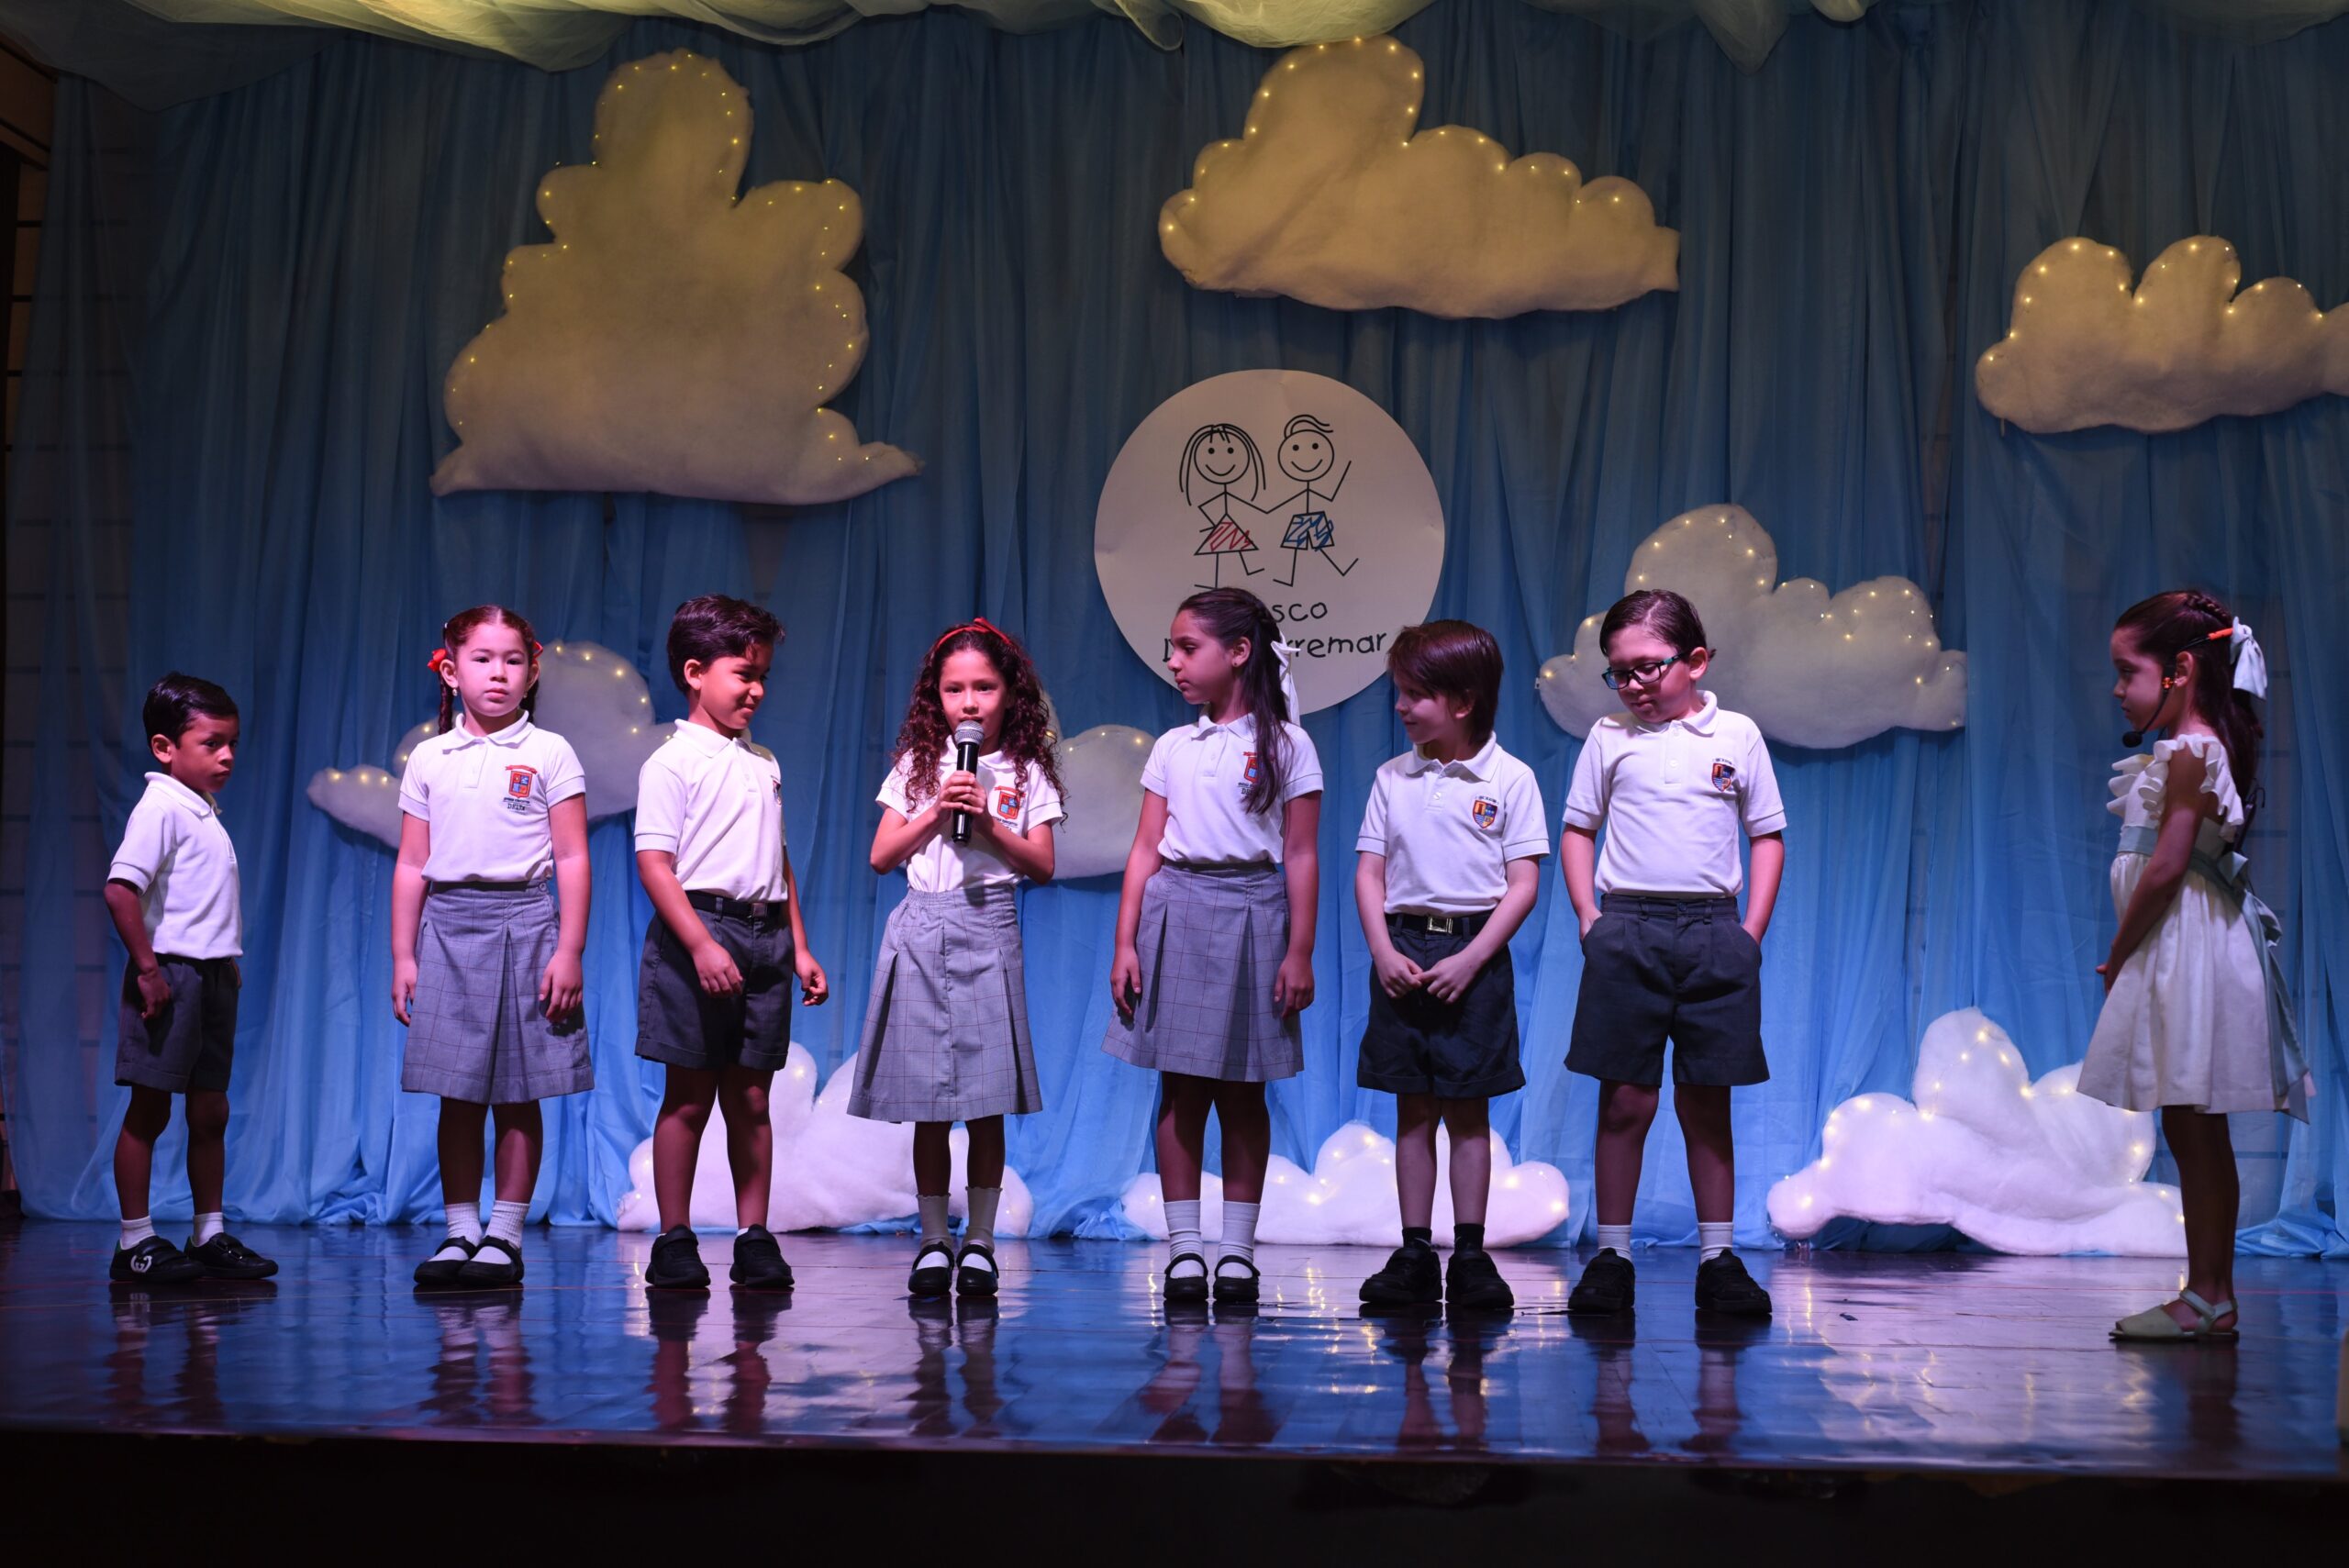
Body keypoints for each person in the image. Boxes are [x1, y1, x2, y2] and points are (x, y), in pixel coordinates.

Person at [2085, 591, 2308, 1341]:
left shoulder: (2193, 750)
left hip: (2188, 946)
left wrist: (2119, 953)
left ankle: (2210, 1294)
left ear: (2179, 670)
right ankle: (2208, 1293)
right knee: (2191, 1127)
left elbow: (2166, 866)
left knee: (2195, 1125)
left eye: (2128, 671)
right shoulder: (2189, 748)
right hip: (2181, 945)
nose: (2118, 688)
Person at [1559, 590, 1783, 1318]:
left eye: (1647, 667)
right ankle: (1611, 1256)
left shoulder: (1737, 735)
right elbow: (1577, 828)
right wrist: (1591, 917)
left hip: (1715, 931)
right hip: (1627, 928)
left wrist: (1750, 933)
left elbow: (1767, 834)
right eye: (1618, 671)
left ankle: (1718, 1258)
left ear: (1696, 660)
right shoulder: (1608, 736)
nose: (1632, 684)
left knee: (1706, 1099)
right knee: (1625, 1099)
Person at [1106, 587, 1322, 1307]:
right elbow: (1145, 848)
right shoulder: (1174, 746)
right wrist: (1125, 941)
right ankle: (1184, 1250)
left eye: (1187, 647)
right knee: (1180, 1086)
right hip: (1177, 908)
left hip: (1254, 910)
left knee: (1244, 1087)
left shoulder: (1287, 744)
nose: (1174, 661)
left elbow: (1300, 852)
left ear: (1238, 652)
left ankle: (1237, 1250)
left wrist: (1300, 948)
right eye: (1172, 648)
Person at [857, 618, 1063, 1299]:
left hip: (987, 925)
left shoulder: (1025, 771)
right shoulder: (918, 767)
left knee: (985, 1101)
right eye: (954, 689)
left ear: (1010, 693)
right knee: (928, 1104)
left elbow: (1042, 865)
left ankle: (979, 1240)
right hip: (922, 925)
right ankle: (932, 1240)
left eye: (984, 687)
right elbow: (881, 855)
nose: (969, 702)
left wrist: (991, 822)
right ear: (935, 696)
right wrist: (936, 810)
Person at [394, 606, 592, 1290]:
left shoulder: (550, 751)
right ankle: (460, 1231)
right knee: (456, 1092)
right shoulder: (430, 757)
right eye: (482, 659)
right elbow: (410, 862)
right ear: (451, 670)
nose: (499, 673)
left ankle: (504, 1234)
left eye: (513, 660)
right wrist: (403, 954)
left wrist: (570, 949)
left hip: (526, 922)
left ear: (532, 671)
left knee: (518, 1090)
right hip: (449, 925)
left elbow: (572, 856)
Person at [636, 595, 829, 1292]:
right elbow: (655, 864)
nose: (757, 690)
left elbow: (779, 860)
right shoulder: (671, 762)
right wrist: (700, 945)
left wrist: (798, 946)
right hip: (700, 927)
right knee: (689, 1095)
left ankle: (754, 1236)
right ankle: (674, 1238)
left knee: (751, 1098)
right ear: (695, 672)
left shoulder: (764, 762)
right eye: (744, 673)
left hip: (764, 933)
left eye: (763, 676)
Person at [1353, 622, 1544, 1312]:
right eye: (1400, 692)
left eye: (1415, 694)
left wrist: (1471, 957)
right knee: (1412, 1109)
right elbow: (1369, 872)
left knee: (1467, 1110)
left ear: (1462, 702)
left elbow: (1522, 883)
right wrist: (1383, 951)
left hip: (1474, 953)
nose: (1401, 706)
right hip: (1404, 949)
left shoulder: (1510, 778)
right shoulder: (1392, 777)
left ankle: (1469, 1252)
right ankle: (1413, 1250)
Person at [103, 673, 275, 1284]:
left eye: (232, 743)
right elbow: (121, 891)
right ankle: (134, 1242)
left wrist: (221, 961)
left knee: (210, 1110)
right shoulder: (161, 809)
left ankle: (208, 1233)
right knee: (149, 1109)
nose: (226, 756)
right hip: (169, 976)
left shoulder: (201, 811)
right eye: (211, 743)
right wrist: (150, 970)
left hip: (211, 976)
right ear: (165, 746)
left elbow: (196, 902)